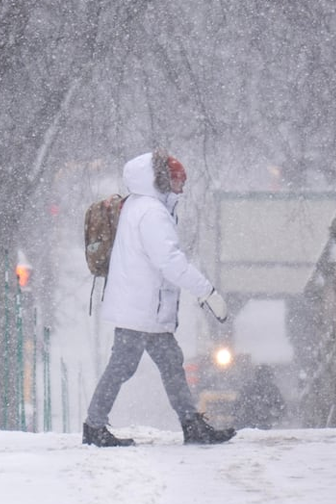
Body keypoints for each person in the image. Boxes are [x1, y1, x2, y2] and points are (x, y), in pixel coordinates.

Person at [83, 149, 236, 447]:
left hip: (144, 307)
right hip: (140, 309)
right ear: (164, 181)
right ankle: (94, 426)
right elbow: (170, 262)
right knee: (123, 366)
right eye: (179, 182)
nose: (182, 189)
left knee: (170, 362)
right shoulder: (152, 213)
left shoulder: (138, 206)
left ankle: (190, 424)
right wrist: (206, 291)